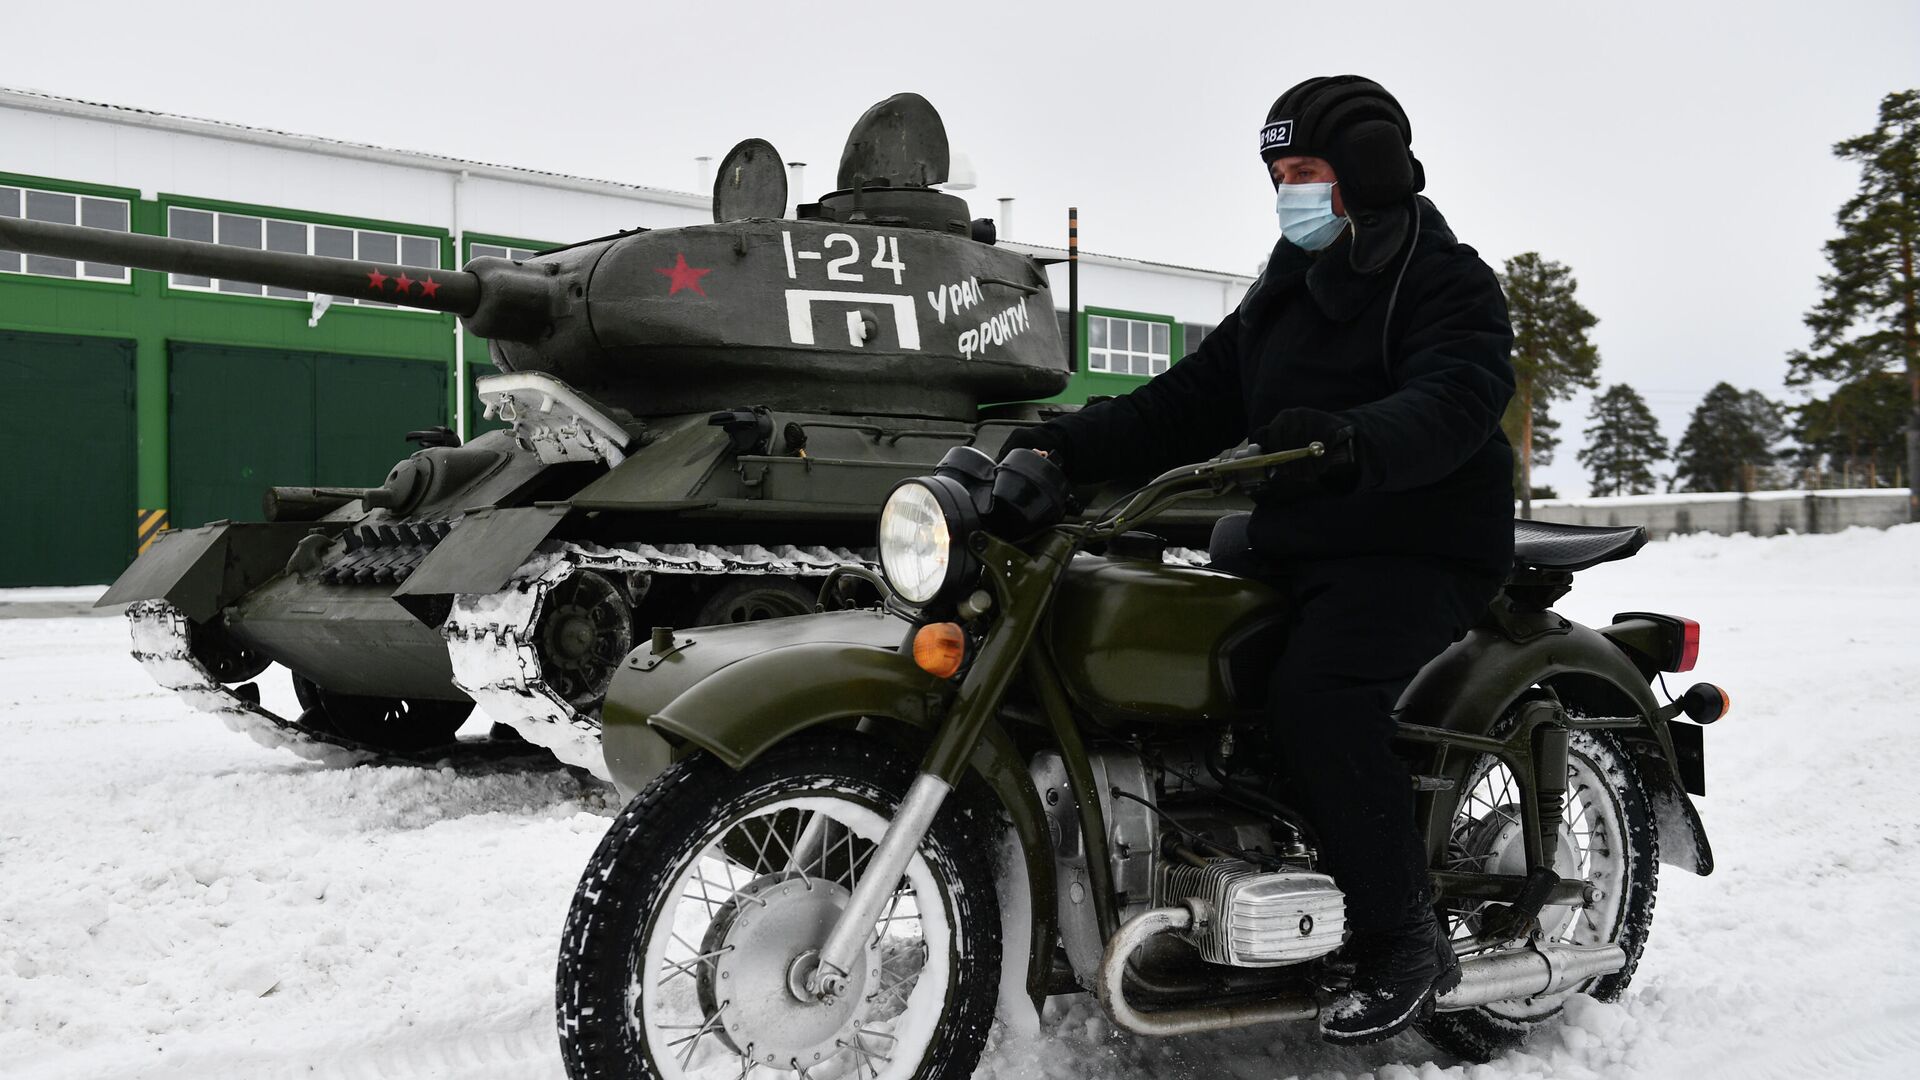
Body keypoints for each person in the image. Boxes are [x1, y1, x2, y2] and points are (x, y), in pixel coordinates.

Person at [1003, 75, 1517, 1044]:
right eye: (1280, 173)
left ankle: (1407, 943)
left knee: (1318, 696)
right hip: (1307, 537)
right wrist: (1063, 445)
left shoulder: (1447, 282)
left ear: (1367, 172)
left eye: (1308, 170)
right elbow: (1188, 400)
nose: (1291, 190)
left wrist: (1354, 439)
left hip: (1420, 544)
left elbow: (1458, 398)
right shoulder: (1290, 283)